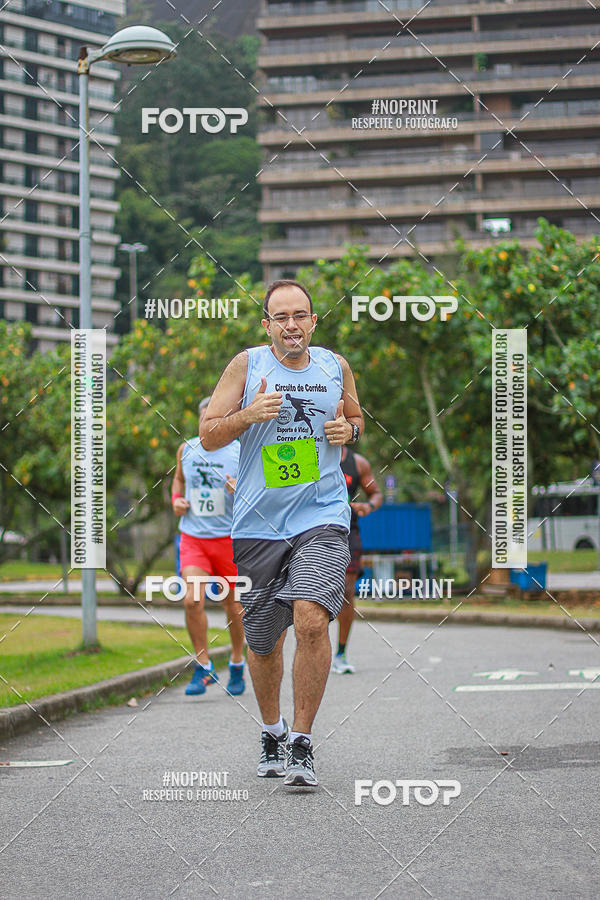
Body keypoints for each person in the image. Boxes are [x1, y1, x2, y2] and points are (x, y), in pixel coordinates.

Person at [200, 279, 364, 787]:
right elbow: (208, 434)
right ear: (266, 325)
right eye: (281, 317)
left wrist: (349, 432)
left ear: (313, 321)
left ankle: (302, 743)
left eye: (300, 315)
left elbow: (356, 418)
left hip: (322, 515)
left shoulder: (335, 367)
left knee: (312, 619)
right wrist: (249, 415)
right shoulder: (248, 366)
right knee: (264, 640)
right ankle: (272, 729)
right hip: (258, 525)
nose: (291, 325)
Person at [171, 397, 246, 696]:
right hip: (194, 538)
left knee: (234, 606)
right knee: (192, 601)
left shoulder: (240, 451)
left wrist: (238, 488)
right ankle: (203, 667)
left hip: (229, 539)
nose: (208, 425)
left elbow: (260, 490)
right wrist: (176, 500)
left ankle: (237, 662)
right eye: (204, 419)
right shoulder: (186, 450)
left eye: (214, 419)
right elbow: (178, 482)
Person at [333, 445, 383, 674]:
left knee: (346, 591)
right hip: (312, 530)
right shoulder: (308, 452)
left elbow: (376, 493)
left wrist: (368, 505)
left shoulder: (358, 463)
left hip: (348, 531)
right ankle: (314, 648)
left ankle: (341, 653)